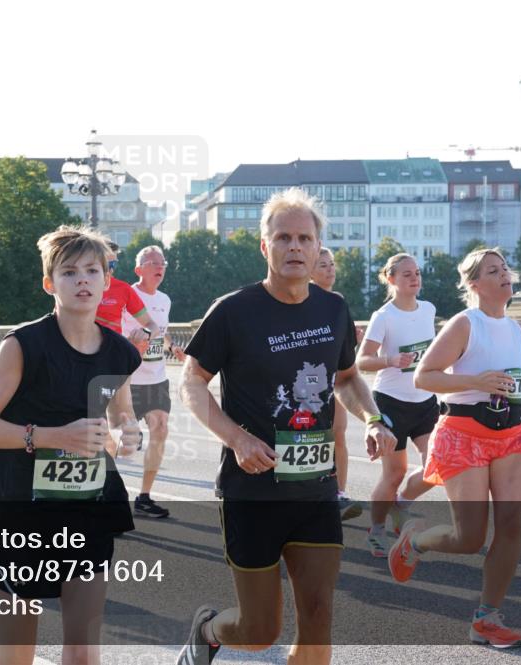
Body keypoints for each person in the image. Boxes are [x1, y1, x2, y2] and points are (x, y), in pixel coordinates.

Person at [177, 188, 396, 665]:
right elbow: (191, 382)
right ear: (265, 246)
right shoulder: (233, 310)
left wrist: (374, 419)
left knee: (318, 617)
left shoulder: (333, 309)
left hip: (315, 490)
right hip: (252, 489)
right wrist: (235, 438)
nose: (294, 247)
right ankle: (208, 630)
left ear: (318, 247)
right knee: (258, 629)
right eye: (283, 238)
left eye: (304, 238)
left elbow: (347, 378)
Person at [0, 225, 142, 665]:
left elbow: (121, 411)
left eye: (91, 270)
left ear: (108, 280)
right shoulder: (24, 345)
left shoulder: (121, 353)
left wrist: (128, 432)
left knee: (84, 655)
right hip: (20, 507)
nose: (82, 280)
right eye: (69, 272)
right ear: (50, 284)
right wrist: (51, 437)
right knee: (16, 659)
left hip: (88, 506)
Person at [388, 247, 521, 648]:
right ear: (475, 285)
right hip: (464, 434)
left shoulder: (519, 331)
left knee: (511, 526)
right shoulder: (464, 325)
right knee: (470, 538)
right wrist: (477, 381)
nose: (505, 274)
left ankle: (486, 618)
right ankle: (415, 540)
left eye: (505, 267)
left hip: (512, 436)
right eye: (494, 270)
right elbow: (425, 377)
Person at [356, 253, 439, 556]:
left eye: (417, 273)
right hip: (391, 403)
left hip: (425, 401)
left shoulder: (429, 309)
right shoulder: (384, 316)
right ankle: (376, 529)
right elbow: (362, 361)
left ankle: (400, 505)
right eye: (406, 274)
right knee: (394, 473)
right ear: (391, 279)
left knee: (437, 465)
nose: (414, 278)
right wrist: (390, 360)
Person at [120, 245, 186, 518]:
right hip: (128, 379)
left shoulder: (165, 299)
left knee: (161, 428)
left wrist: (172, 347)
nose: (160, 267)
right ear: (139, 270)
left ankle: (144, 497)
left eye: (163, 263)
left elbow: (161, 331)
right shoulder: (127, 295)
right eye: (153, 263)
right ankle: (104, 493)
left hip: (156, 378)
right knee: (121, 443)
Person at [311, 247, 363, 521]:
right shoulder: (302, 299)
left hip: (335, 380)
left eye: (332, 264)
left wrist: (353, 337)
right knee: (316, 437)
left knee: (338, 434)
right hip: (308, 383)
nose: (330, 269)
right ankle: (314, 494)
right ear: (309, 269)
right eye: (323, 265)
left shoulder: (338, 301)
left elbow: (344, 348)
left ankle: (339, 492)